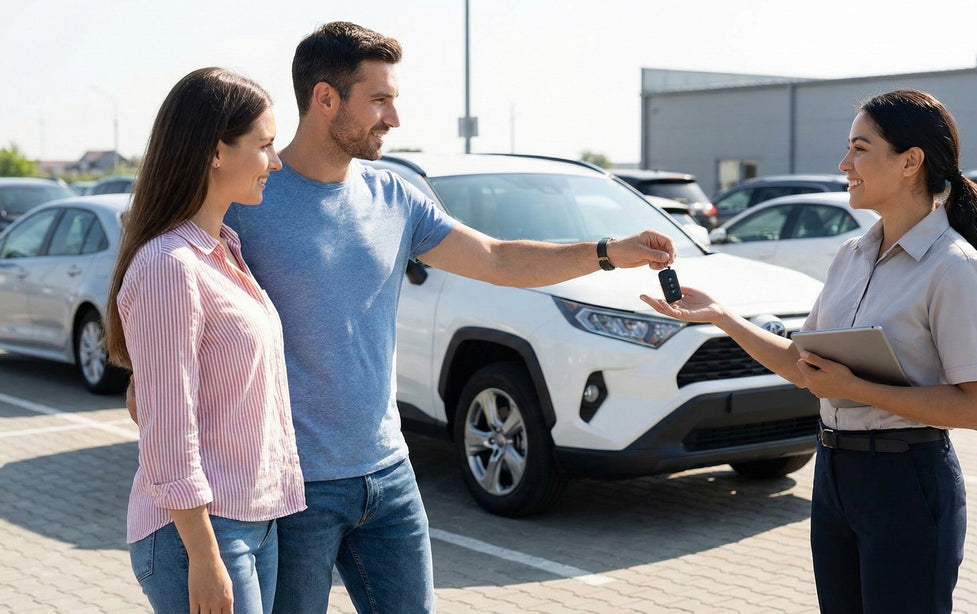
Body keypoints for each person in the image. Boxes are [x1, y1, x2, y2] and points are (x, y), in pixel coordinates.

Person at [217, 22, 675, 614]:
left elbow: (496, 258)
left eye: (394, 101)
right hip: (290, 487)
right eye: (379, 100)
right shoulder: (249, 198)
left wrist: (608, 252)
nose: (393, 119)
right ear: (325, 98)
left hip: (388, 476)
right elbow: (173, 287)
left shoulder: (395, 196)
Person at [642, 89, 977, 614]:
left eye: (860, 148)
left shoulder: (955, 268)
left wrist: (853, 389)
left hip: (908, 483)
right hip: (836, 475)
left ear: (910, 161)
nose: (844, 164)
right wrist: (722, 316)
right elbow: (802, 365)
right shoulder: (851, 254)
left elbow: (976, 409)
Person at [107, 67, 305, 614]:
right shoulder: (171, 266)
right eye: (264, 145)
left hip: (253, 524)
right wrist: (204, 554)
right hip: (199, 535)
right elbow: (169, 427)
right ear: (216, 151)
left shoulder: (224, 252)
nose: (277, 161)